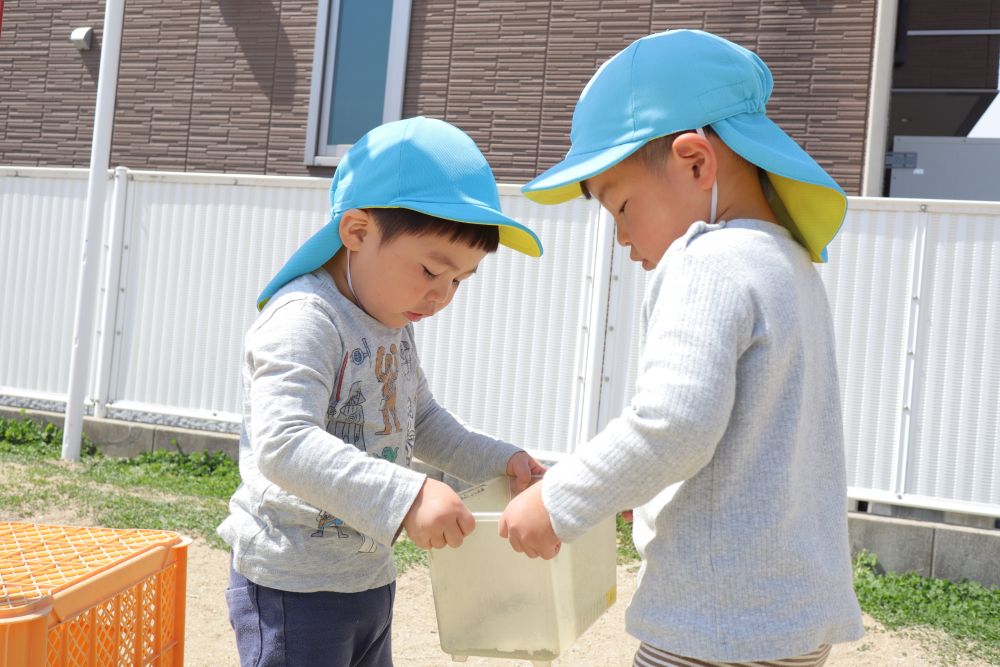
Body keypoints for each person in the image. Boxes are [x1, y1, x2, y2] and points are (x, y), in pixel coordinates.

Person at [499, 30, 865, 667]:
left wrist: (558, 502)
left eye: (621, 206)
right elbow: (740, 439)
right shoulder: (789, 264)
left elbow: (674, 423)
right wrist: (627, 485)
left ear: (696, 162)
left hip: (714, 621)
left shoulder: (709, 260)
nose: (620, 237)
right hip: (793, 618)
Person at [218, 116, 547, 667]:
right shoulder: (307, 319)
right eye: (430, 270)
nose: (442, 295)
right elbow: (284, 442)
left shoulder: (393, 319)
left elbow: (423, 420)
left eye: (459, 281)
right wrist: (409, 497)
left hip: (367, 576)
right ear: (358, 232)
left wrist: (502, 460)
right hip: (292, 585)